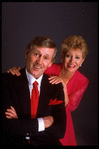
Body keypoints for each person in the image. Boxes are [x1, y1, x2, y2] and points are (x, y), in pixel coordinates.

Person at [8, 35, 89, 146]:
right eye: (68, 56)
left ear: (82, 61)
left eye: (77, 57)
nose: (72, 61)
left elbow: (68, 107)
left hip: (60, 117)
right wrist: (17, 72)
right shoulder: (49, 67)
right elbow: (31, 73)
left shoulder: (82, 80)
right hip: (40, 114)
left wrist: (63, 86)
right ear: (62, 56)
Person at [2, 36, 66, 146]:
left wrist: (20, 123)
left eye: (46, 58)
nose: (39, 62)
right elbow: (6, 126)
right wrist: (43, 123)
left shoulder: (56, 87)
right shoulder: (6, 80)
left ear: (51, 62)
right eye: (36, 54)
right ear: (27, 54)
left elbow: (60, 131)